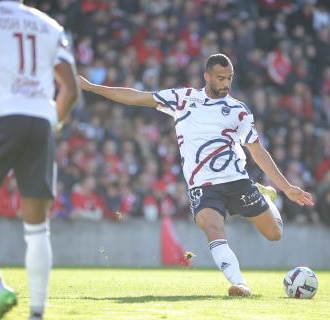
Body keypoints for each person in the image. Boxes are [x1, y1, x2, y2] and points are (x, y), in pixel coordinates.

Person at [79, 53, 314, 297]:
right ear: (207, 77)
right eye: (221, 78)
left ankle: (265, 197)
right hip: (202, 185)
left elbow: (256, 150)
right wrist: (91, 87)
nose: (226, 83)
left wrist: (286, 187)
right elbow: (137, 97)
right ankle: (240, 284)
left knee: (274, 234)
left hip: (236, 180)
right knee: (213, 228)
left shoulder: (238, 110)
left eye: (230, 78)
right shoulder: (183, 99)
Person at [0, 1, 78, 319]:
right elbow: (71, 89)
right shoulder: (50, 26)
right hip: (40, 120)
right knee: (38, 228)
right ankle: (36, 313)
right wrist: (52, 122)